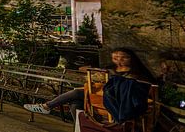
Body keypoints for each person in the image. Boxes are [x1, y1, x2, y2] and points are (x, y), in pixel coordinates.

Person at [23, 47, 152, 120]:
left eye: (123, 57)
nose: (119, 60)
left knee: (77, 92)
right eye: (116, 57)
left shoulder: (137, 73)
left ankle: (47, 106)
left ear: (131, 58)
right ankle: (78, 127)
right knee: (76, 104)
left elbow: (134, 90)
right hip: (99, 99)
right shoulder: (110, 69)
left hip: (117, 102)